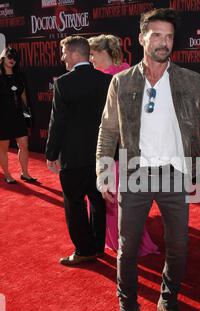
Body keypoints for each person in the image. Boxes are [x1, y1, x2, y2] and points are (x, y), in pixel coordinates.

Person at [96, 8, 200, 311]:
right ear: (142, 37)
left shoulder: (187, 79)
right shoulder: (122, 81)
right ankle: (127, 310)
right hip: (134, 173)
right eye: (156, 35)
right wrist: (103, 170)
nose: (163, 42)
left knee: (179, 246)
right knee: (126, 251)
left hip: (175, 173)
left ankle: (168, 302)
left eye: (169, 36)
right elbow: (108, 129)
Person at [88, 34, 159, 257]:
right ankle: (112, 239)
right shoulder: (95, 77)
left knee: (120, 198)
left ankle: (128, 241)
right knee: (109, 196)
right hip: (104, 144)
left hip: (123, 149)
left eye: (92, 54)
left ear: (103, 53)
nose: (90, 59)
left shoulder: (124, 76)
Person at [45, 36, 111, 266]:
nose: (62, 57)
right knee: (98, 200)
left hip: (73, 157)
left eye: (64, 53)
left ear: (74, 54)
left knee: (74, 203)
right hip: (102, 154)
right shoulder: (107, 80)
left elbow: (58, 122)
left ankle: (84, 250)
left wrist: (51, 154)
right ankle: (98, 247)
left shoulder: (63, 83)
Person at [0, 47, 37, 184]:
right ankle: (8, 174)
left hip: (17, 115)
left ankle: (25, 173)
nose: (12, 60)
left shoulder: (20, 76)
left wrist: (28, 114)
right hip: (2, 117)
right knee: (3, 147)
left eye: (15, 58)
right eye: (9, 56)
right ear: (3, 58)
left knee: (24, 144)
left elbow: (24, 97)